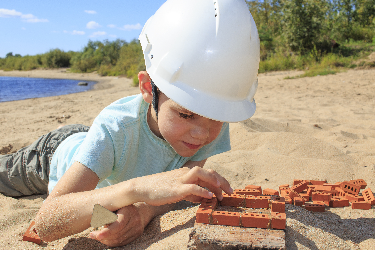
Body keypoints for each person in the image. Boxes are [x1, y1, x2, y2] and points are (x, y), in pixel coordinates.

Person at [0, 0, 260, 247]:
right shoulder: (115, 128)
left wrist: (142, 212)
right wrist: (138, 189)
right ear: (148, 89)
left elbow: (175, 191)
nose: (202, 134)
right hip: (53, 155)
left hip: (97, 151)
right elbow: (46, 222)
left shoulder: (206, 118)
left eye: (217, 118)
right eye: (185, 115)